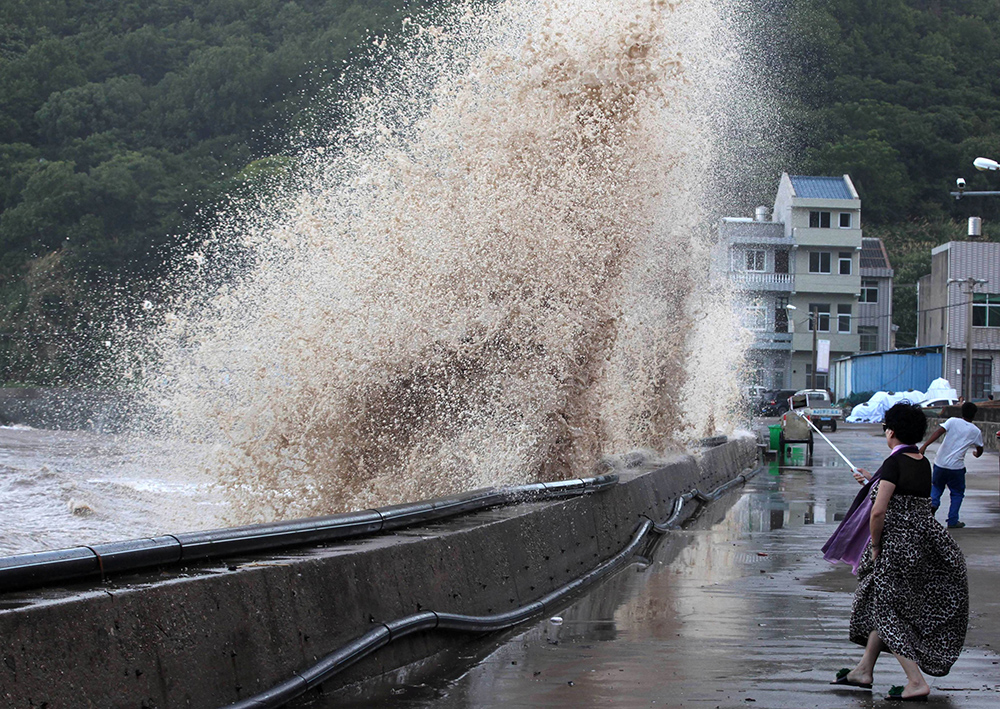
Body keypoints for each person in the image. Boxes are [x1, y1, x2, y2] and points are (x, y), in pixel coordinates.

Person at [831, 403, 968, 701]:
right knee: (885, 605)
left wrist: (875, 546)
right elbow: (905, 497)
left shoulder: (893, 463)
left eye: (885, 428)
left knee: (887, 612)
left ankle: (915, 681)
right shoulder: (922, 461)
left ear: (891, 431)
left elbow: (879, 512)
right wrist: (873, 481)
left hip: (895, 548)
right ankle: (864, 670)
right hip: (920, 545)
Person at [918, 401, 984, 529]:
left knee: (937, 487)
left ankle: (933, 506)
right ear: (974, 414)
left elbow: (938, 432)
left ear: (962, 411)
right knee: (957, 493)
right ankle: (952, 520)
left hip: (940, 463)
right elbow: (980, 448)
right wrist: (977, 454)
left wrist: (925, 445)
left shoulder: (952, 421)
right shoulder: (975, 431)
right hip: (956, 467)